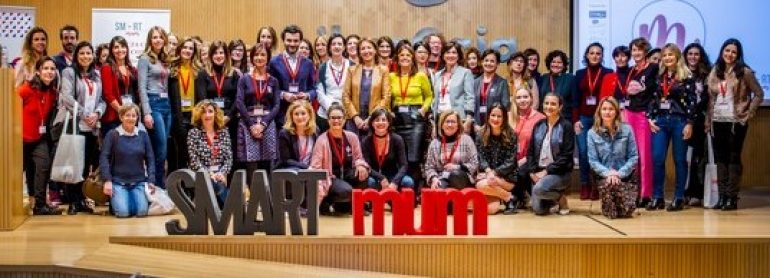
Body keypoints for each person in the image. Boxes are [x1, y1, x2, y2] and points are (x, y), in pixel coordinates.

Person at [705, 38, 764, 210]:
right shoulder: (715, 71)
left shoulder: (744, 72)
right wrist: (708, 120)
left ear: (738, 55)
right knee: (720, 159)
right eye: (727, 50)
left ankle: (732, 197)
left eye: (734, 52)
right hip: (717, 121)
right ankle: (722, 196)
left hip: (736, 121)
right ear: (722, 51)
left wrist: (748, 113)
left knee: (733, 158)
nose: (729, 54)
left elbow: (759, 94)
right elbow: (711, 98)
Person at [52, 41, 104, 214]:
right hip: (75, 123)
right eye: (82, 53)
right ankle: (73, 200)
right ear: (76, 56)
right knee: (74, 164)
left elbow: (102, 100)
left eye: (89, 53)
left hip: (92, 126)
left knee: (86, 165)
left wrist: (97, 113)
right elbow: (66, 97)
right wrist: (84, 114)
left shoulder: (96, 74)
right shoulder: (69, 72)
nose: (85, 56)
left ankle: (81, 199)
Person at [647, 43, 697, 211]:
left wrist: (689, 123)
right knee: (657, 158)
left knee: (679, 160)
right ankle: (658, 197)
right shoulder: (659, 76)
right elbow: (654, 98)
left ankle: (679, 197)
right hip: (660, 121)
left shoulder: (687, 76)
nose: (668, 58)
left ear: (677, 57)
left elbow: (692, 101)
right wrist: (650, 118)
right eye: (665, 55)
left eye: (671, 55)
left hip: (679, 121)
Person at [20, 57, 62, 215]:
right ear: (38, 71)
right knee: (18, 171)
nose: (49, 72)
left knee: (43, 167)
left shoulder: (53, 92)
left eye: (52, 69)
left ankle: (40, 204)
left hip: (40, 138)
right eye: (45, 68)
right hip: (21, 139)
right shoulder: (26, 89)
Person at [521, 93, 575, 215]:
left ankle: (560, 198)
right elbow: (530, 152)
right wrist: (532, 172)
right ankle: (552, 201)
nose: (549, 106)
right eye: (546, 103)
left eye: (553, 104)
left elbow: (566, 157)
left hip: (559, 172)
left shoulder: (566, 126)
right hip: (539, 171)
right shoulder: (538, 125)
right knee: (539, 210)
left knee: (538, 190)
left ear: (560, 107)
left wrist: (545, 172)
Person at [310, 104, 369, 215]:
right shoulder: (321, 140)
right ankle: (328, 202)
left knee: (363, 173)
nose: (336, 120)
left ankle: (350, 207)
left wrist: (360, 165)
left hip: (347, 175)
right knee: (346, 191)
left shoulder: (352, 137)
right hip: (331, 178)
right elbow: (315, 166)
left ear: (344, 119)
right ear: (328, 120)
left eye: (339, 117)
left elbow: (359, 157)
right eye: (333, 117)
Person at [573, 42, 613, 200]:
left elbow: (611, 99)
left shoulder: (608, 73)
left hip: (601, 119)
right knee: (583, 153)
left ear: (602, 56)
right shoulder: (580, 74)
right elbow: (576, 100)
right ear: (587, 55)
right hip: (583, 118)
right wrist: (576, 120)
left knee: (600, 153)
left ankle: (598, 185)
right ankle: (585, 184)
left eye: (598, 53)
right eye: (592, 53)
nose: (595, 56)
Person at [390, 44, 433, 191]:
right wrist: (389, 111)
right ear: (397, 58)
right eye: (402, 55)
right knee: (399, 157)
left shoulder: (420, 76)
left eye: (408, 55)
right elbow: (388, 97)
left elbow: (429, 97)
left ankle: (414, 193)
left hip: (415, 120)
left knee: (414, 158)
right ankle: (402, 189)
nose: (405, 58)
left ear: (412, 58)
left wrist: (423, 110)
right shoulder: (391, 77)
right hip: (397, 120)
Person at [100, 104, 155, 218]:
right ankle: (116, 202)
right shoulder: (112, 135)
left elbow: (150, 158)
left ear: (137, 118)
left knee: (141, 212)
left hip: (138, 182)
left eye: (134, 116)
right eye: (127, 115)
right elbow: (104, 158)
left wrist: (151, 180)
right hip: (118, 183)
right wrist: (107, 181)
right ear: (121, 117)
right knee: (123, 213)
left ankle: (125, 200)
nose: (131, 118)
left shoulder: (143, 135)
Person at [588, 97, 639, 219]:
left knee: (626, 212)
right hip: (604, 177)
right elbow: (593, 161)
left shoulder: (627, 129)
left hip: (625, 177)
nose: (607, 112)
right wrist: (608, 173)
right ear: (599, 111)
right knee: (612, 214)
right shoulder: (592, 133)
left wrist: (619, 174)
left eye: (611, 109)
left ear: (616, 111)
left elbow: (633, 156)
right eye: (604, 109)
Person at [236, 43, 281, 176]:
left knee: (267, 165)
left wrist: (263, 124)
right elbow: (239, 102)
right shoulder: (244, 79)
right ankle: (253, 196)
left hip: (267, 124)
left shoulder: (273, 81)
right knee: (251, 166)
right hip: (248, 124)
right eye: (256, 54)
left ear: (268, 57)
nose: (259, 57)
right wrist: (252, 125)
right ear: (251, 57)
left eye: (263, 54)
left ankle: (267, 196)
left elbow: (277, 105)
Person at [625, 37, 659, 207]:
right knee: (633, 155)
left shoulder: (653, 68)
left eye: (639, 50)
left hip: (643, 114)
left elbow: (656, 91)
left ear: (646, 51)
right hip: (629, 113)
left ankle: (646, 194)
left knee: (645, 156)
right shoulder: (631, 70)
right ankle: (635, 193)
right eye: (633, 50)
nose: (636, 53)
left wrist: (651, 114)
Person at [137, 26, 171, 189]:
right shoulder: (144, 59)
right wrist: (147, 112)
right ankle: (157, 185)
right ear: (150, 40)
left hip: (167, 106)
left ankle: (156, 183)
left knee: (162, 149)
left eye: (160, 37)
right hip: (154, 104)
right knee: (161, 149)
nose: (158, 40)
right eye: (154, 37)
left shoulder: (164, 59)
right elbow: (141, 87)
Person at [198, 40, 240, 167]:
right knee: (213, 154)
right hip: (210, 121)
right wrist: (215, 118)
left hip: (230, 120)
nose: (218, 56)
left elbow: (238, 99)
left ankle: (231, 185)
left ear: (226, 55)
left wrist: (228, 117)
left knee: (230, 154)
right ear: (211, 55)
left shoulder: (234, 74)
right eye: (215, 53)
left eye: (221, 52)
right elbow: (202, 99)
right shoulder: (203, 74)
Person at [268, 25, 316, 128]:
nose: (292, 44)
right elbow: (270, 88)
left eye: (296, 41)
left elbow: (314, 89)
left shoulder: (308, 63)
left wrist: (307, 95)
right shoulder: (274, 62)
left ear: (300, 41)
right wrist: (283, 95)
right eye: (289, 40)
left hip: (303, 116)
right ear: (283, 40)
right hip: (281, 115)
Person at [342, 37, 391, 137]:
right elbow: (345, 96)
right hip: (354, 120)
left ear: (375, 50)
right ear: (359, 52)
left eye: (369, 48)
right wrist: (355, 117)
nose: (366, 51)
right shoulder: (352, 70)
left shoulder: (383, 70)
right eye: (363, 48)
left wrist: (371, 117)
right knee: (353, 150)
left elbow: (386, 97)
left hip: (375, 119)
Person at [167, 37, 203, 174]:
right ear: (179, 49)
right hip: (178, 115)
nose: (187, 51)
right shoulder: (172, 70)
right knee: (179, 151)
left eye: (191, 49)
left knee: (193, 152)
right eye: (185, 48)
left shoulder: (198, 71)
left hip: (194, 116)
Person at [187, 101, 233, 207]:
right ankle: (231, 206)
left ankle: (223, 205)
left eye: (210, 111)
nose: (207, 115)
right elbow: (194, 161)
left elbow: (229, 158)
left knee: (219, 184)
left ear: (215, 114)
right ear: (199, 115)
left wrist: (222, 173)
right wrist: (209, 174)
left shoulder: (224, 132)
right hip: (202, 174)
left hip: (220, 173)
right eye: (204, 112)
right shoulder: (193, 133)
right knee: (216, 185)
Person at [475, 103, 518, 215]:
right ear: (488, 116)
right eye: (493, 115)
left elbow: (511, 161)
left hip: (506, 177)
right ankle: (508, 198)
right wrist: (489, 171)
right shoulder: (481, 133)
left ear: (504, 118)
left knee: (480, 185)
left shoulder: (511, 134)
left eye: (499, 116)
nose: (495, 119)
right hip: (488, 176)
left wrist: (494, 173)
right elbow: (481, 157)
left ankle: (508, 196)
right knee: (491, 210)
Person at [683, 42, 712, 206]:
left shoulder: (707, 74)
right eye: (690, 54)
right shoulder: (680, 73)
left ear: (700, 57)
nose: (693, 57)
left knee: (698, 158)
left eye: (696, 54)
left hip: (700, 121)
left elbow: (708, 99)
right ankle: (684, 191)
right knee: (684, 158)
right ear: (685, 56)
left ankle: (697, 192)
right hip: (684, 121)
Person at [361, 108, 413, 191]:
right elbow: (367, 167)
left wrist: (395, 182)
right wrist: (381, 178)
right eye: (377, 120)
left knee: (408, 182)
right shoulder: (366, 141)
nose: (381, 122)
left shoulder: (397, 139)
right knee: (370, 182)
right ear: (372, 123)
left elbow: (404, 165)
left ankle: (398, 204)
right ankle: (374, 204)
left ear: (388, 123)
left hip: (393, 175)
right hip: (374, 175)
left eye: (384, 120)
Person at [425, 110, 478, 191]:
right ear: (442, 125)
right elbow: (429, 167)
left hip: (461, 177)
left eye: (453, 122)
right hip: (442, 177)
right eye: (447, 121)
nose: (450, 124)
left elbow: (475, 163)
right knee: (438, 190)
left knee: (455, 175)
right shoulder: (434, 143)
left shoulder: (466, 139)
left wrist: (457, 167)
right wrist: (434, 178)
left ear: (458, 125)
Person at [431, 41, 475, 135]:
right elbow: (435, 99)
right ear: (443, 55)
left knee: (458, 148)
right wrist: (434, 123)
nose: (451, 55)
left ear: (458, 56)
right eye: (448, 52)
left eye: (454, 52)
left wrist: (468, 119)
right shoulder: (438, 75)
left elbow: (470, 97)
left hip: (457, 119)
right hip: (440, 119)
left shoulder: (465, 73)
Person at [100, 36, 138, 136]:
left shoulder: (131, 68)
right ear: (111, 50)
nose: (120, 50)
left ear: (127, 49)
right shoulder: (107, 67)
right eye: (116, 47)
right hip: (113, 117)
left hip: (130, 116)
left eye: (122, 46)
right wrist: (122, 112)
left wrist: (130, 114)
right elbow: (108, 94)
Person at [316, 34, 352, 132]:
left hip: (347, 115)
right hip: (326, 114)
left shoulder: (352, 66)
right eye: (333, 44)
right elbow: (319, 91)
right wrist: (331, 108)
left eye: (339, 44)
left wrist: (341, 110)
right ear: (329, 47)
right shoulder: (323, 67)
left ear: (344, 47)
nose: (336, 46)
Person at [472, 49, 510, 132]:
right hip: (476, 127)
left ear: (497, 64)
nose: (488, 63)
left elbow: (505, 106)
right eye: (486, 60)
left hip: (494, 127)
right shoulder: (474, 82)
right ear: (482, 62)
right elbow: (471, 105)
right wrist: (474, 124)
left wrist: (489, 125)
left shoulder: (502, 83)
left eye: (492, 61)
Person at [276, 100, 318, 171]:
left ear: (309, 115)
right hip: (290, 172)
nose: (300, 117)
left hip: (310, 171)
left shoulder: (315, 131)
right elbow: (286, 160)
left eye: (303, 113)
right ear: (291, 116)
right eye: (296, 114)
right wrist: (306, 167)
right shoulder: (284, 133)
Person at [539, 50, 575, 120]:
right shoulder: (544, 78)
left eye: (559, 62)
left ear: (564, 65)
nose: (556, 65)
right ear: (549, 63)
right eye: (553, 62)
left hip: (564, 118)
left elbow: (575, 102)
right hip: (546, 117)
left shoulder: (571, 78)